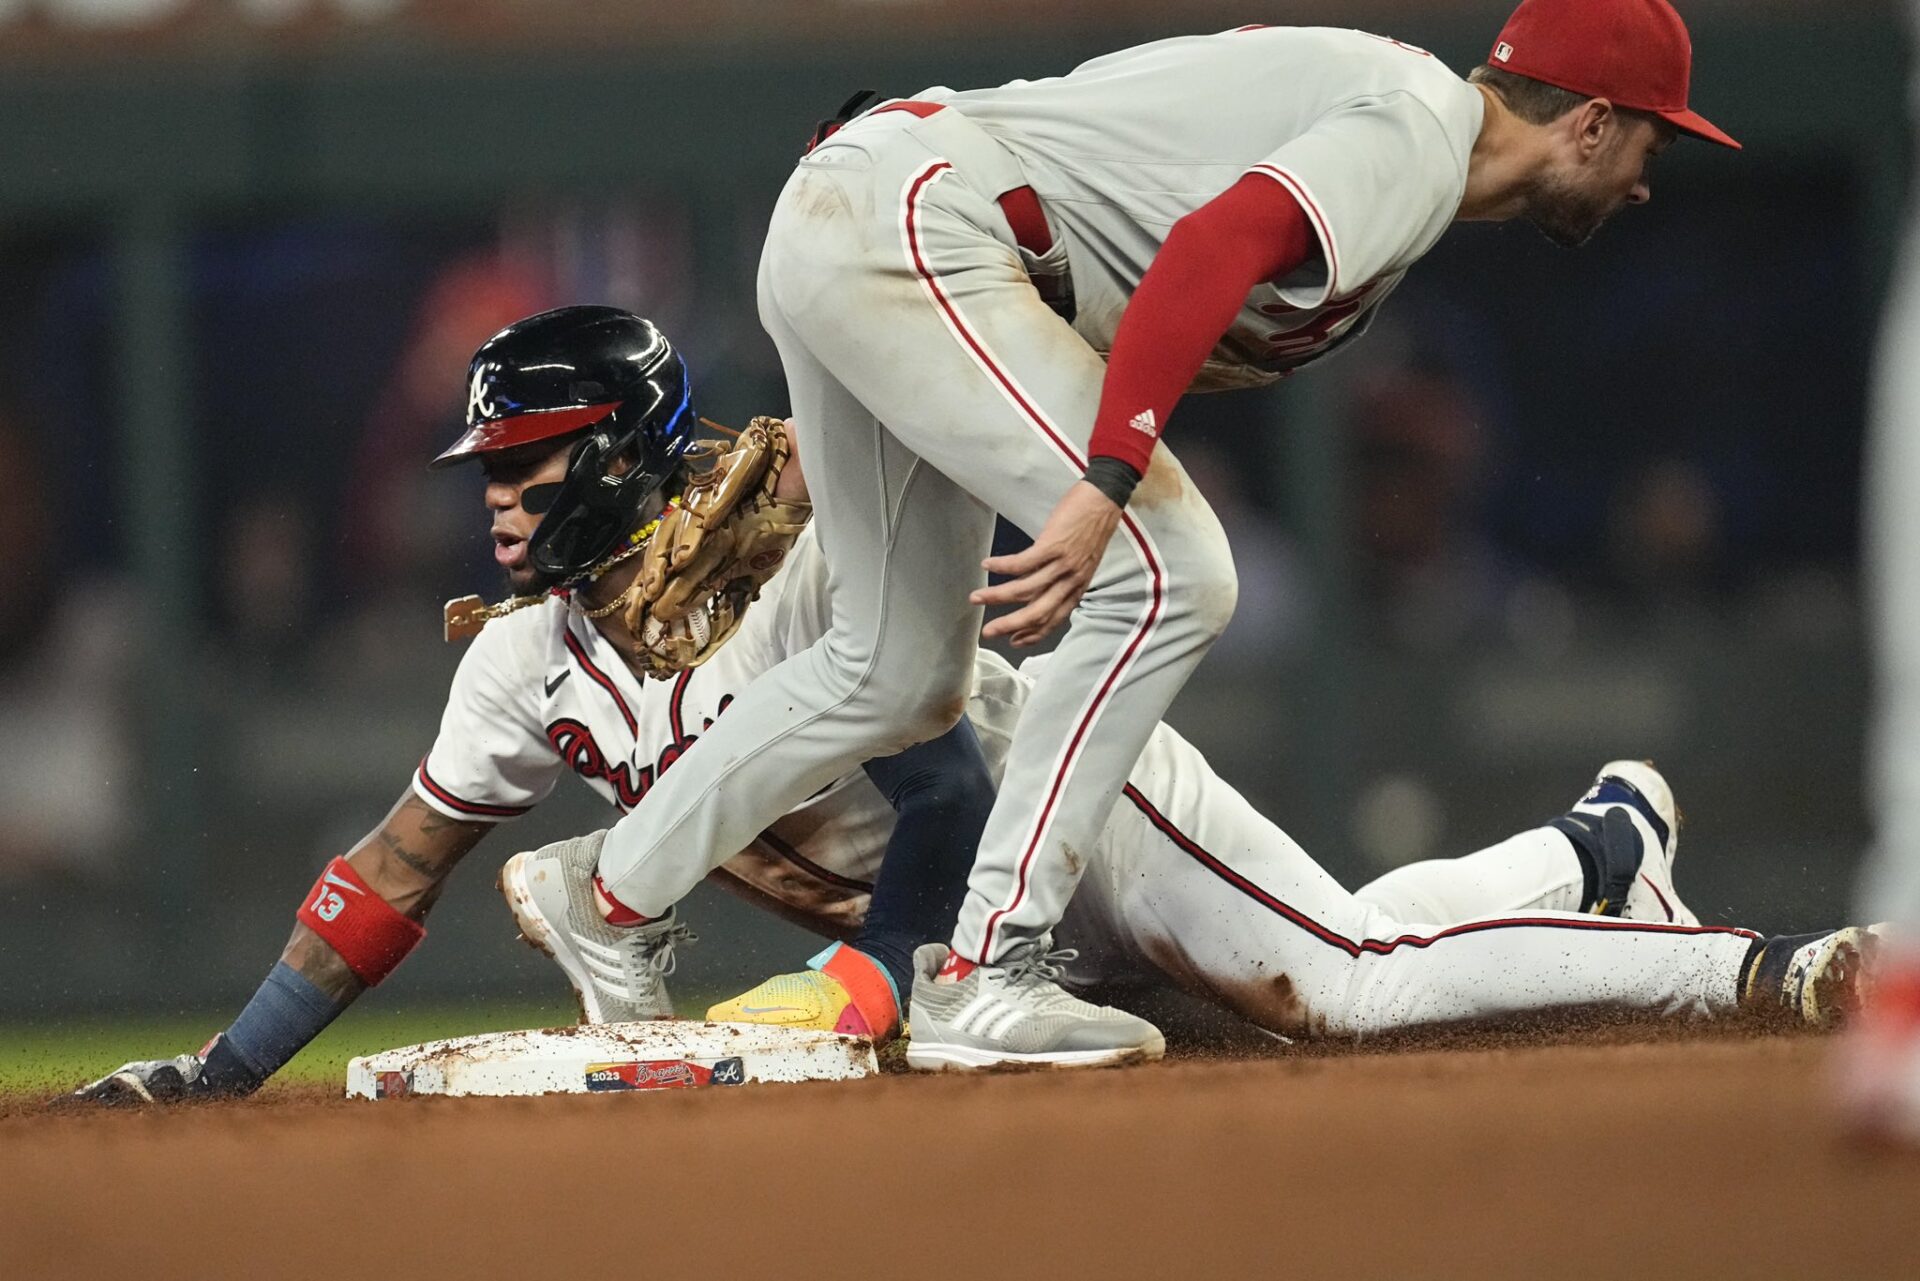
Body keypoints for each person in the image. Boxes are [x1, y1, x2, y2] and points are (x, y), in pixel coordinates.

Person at [75, 310, 1874, 1101]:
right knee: (1308, 962)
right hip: (964, 941)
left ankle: (1765, 967)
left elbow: (940, 783)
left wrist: (882, 984)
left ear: (619, 456)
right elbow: (390, 866)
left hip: (1053, 804)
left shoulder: (788, 563)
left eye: (533, 457)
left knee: (1331, 987)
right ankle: (1593, 843)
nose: (496, 488)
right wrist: (219, 1072)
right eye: (494, 458)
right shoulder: (517, 667)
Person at [549, 0, 1746, 1069]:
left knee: (895, 668)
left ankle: (607, 895)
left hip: (877, 217)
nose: (1649, 175)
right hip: (923, 226)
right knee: (1176, 572)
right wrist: (1109, 476)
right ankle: (986, 972)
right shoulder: (1422, 136)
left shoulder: (1400, 116)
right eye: (1652, 139)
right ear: (1590, 121)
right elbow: (1209, 249)